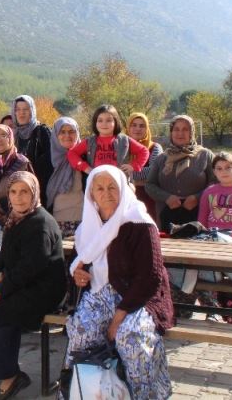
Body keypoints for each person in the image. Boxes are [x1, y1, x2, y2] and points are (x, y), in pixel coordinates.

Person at [66, 165, 173, 399]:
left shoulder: (139, 222)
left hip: (139, 296)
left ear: (123, 189)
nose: (107, 193)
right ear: (91, 193)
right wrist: (78, 275)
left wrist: (118, 317)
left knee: (130, 335)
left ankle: (148, 395)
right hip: (100, 292)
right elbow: (81, 264)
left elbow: (151, 275)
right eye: (100, 188)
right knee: (81, 332)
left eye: (113, 187)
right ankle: (89, 392)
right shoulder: (87, 227)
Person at [0, 171, 66, 399]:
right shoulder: (15, 220)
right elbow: (1, 261)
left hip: (43, 290)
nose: (19, 197)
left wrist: (1, 292)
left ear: (34, 194)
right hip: (23, 285)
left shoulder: (40, 222)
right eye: (13, 192)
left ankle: (10, 376)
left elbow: (32, 267)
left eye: (25, 192)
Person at [145, 115, 215, 229]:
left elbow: (214, 182)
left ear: (192, 132)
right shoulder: (162, 158)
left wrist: (197, 197)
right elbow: (150, 185)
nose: (180, 133)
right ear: (171, 132)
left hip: (198, 214)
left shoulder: (205, 155)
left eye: (185, 129)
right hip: (167, 214)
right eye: (176, 129)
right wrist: (167, 197)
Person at [67, 104, 149, 178]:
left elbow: (144, 151)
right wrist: (85, 168)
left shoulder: (124, 140)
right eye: (100, 120)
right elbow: (72, 153)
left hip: (119, 182)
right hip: (97, 183)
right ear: (95, 123)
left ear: (116, 122)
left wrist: (134, 166)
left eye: (109, 120)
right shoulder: (89, 142)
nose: (104, 124)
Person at [45, 117, 83, 238]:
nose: (67, 135)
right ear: (55, 134)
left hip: (84, 221)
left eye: (71, 131)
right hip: (53, 222)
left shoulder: (86, 157)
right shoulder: (45, 161)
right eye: (62, 132)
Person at [10, 95, 52, 199]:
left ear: (32, 111)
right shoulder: (14, 135)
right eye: (18, 109)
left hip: (39, 190)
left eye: (25, 109)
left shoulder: (42, 132)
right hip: (18, 190)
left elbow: (49, 163)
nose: (21, 113)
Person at [198, 152, 232, 239]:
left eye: (228, 168)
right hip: (214, 239)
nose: (224, 171)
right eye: (219, 169)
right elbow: (202, 220)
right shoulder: (209, 191)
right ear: (214, 172)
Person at [127, 112, 164, 220]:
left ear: (147, 128)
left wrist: (128, 173)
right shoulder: (121, 147)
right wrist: (139, 178)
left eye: (142, 126)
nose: (138, 129)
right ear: (128, 127)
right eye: (134, 125)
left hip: (148, 199)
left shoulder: (155, 148)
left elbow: (152, 173)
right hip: (126, 198)